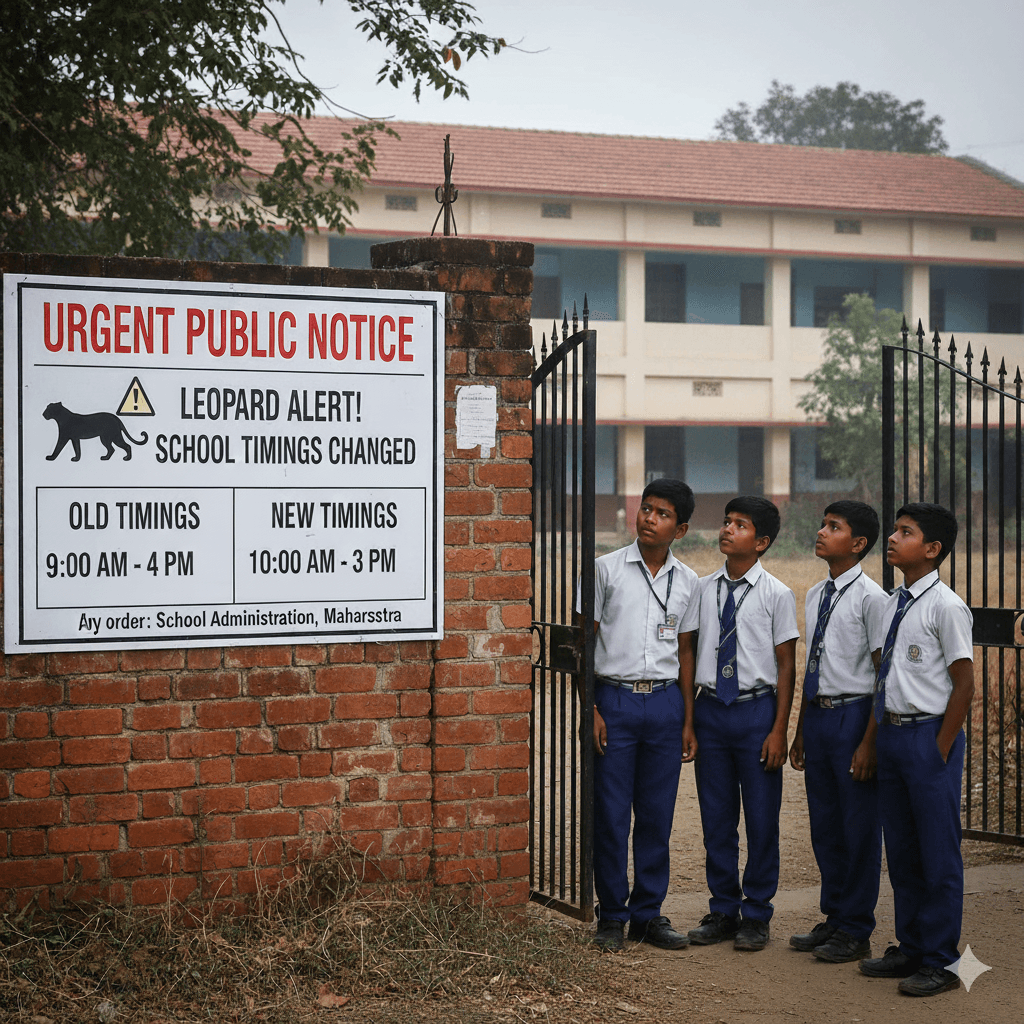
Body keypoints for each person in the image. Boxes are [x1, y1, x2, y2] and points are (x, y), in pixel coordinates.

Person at [859, 502, 974, 996]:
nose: (893, 538)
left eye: (905, 532)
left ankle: (943, 960)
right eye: (895, 529)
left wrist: (941, 747)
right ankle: (911, 946)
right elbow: (885, 675)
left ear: (932, 549)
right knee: (902, 850)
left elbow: (964, 684)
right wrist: (876, 738)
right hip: (894, 736)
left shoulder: (945, 606)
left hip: (929, 738)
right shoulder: (891, 602)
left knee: (937, 854)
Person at [589, 478, 700, 952]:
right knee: (612, 814)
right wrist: (590, 706)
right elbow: (585, 641)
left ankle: (647, 914)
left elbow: (687, 650)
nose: (650, 518)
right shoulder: (605, 570)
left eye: (662, 514)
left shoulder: (689, 581)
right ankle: (611, 915)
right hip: (614, 700)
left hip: (664, 703)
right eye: (646, 509)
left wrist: (688, 718)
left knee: (656, 815)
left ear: (681, 529)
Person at [685, 496, 799, 952]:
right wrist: (690, 721)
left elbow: (786, 665)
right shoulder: (702, 588)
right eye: (727, 521)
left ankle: (756, 914)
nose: (728, 529)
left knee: (761, 818)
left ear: (763, 542)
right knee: (716, 818)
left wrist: (778, 729)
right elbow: (688, 654)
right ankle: (723, 909)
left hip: (756, 712)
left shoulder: (777, 593)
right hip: (711, 710)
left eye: (741, 525)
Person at [788, 501, 886, 963]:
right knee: (826, 825)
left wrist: (869, 741)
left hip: (854, 716)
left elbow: (881, 675)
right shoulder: (815, 593)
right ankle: (834, 915)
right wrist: (802, 730)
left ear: (859, 543)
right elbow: (815, 663)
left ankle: (856, 927)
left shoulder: (872, 599)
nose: (822, 532)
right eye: (824, 524)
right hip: (821, 717)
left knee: (857, 826)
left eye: (834, 527)